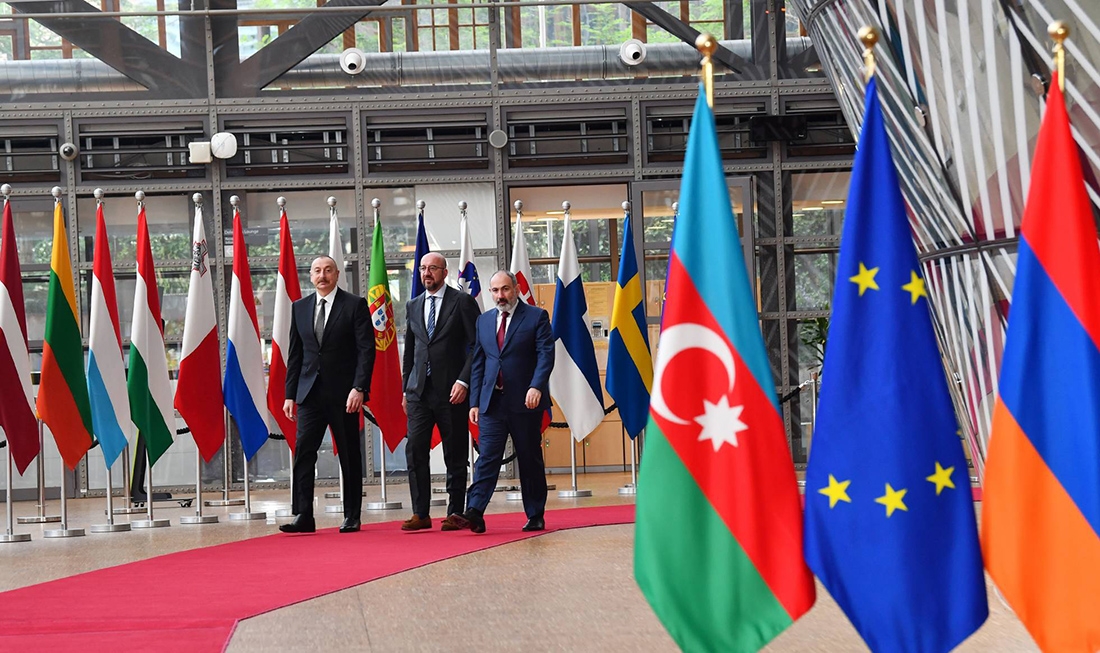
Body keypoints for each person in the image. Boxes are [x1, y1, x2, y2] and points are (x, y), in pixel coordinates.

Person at [449, 270, 554, 534]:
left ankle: (535, 514)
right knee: (487, 457)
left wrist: (536, 387)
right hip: (491, 403)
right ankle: (475, 511)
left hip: (525, 402)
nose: (500, 296)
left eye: (505, 289)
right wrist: (474, 402)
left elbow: (546, 355)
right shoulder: (484, 321)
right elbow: (479, 362)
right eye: (495, 291)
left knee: (529, 459)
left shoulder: (536, 317)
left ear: (516, 289)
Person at [280, 256, 375, 534]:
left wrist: (359, 388)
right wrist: (290, 394)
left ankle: (352, 515)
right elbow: (295, 355)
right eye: (317, 271)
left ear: (337, 275)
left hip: (345, 394)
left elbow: (366, 350)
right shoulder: (300, 307)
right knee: (304, 453)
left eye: (328, 271)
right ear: (311, 276)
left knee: (348, 455)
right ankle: (304, 516)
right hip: (309, 394)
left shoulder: (354, 305)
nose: (323, 276)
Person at [400, 253, 480, 531]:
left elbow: (477, 346)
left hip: (452, 391)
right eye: (422, 268)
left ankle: (455, 511)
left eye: (432, 268)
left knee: (455, 453)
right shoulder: (413, 305)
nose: (426, 273)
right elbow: (409, 351)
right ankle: (420, 513)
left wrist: (464, 381)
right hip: (419, 391)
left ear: (444, 272)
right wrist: (405, 389)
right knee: (415, 451)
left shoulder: (462, 302)